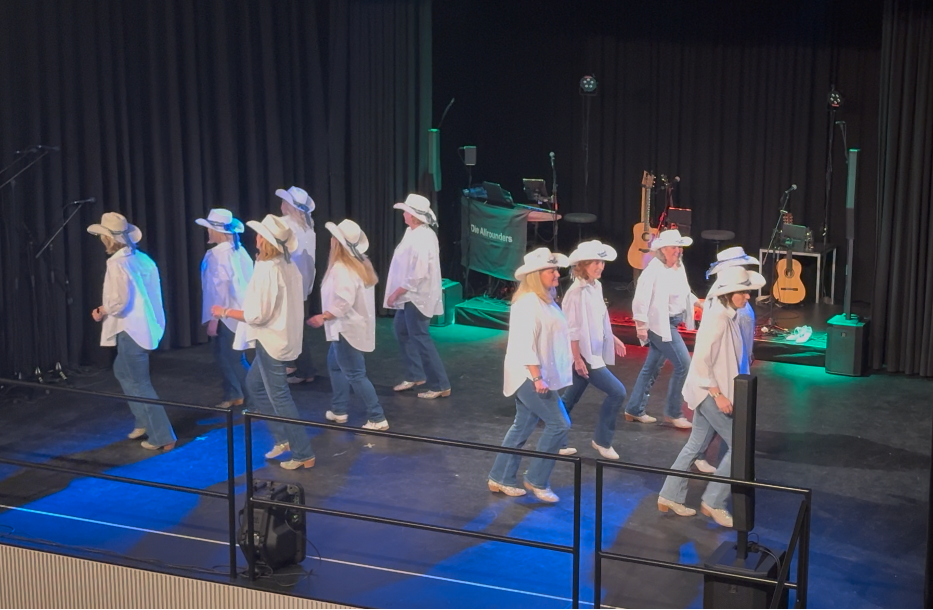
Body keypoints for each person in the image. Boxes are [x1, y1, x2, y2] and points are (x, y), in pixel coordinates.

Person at [657, 266, 766, 527]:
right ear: (729, 293)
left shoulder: (728, 315)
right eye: (743, 292)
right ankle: (713, 502)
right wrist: (717, 394)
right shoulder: (717, 317)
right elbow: (702, 359)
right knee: (740, 445)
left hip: (708, 390)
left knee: (696, 445)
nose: (748, 296)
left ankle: (669, 495)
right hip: (709, 392)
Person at [212, 214, 315, 470]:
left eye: (259, 234)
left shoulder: (269, 269)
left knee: (279, 396)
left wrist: (224, 311)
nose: (256, 237)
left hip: (271, 340)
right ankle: (284, 439)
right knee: (254, 385)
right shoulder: (287, 265)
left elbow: (258, 315)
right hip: (278, 338)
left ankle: (303, 452)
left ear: (265, 240)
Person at [488, 248, 573, 503]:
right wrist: (537, 377)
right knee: (559, 424)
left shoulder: (545, 299)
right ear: (536, 275)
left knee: (522, 425)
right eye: (551, 270)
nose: (556, 274)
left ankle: (500, 477)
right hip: (528, 375)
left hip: (537, 374)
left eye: (556, 269)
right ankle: (537, 479)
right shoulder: (527, 303)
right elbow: (525, 344)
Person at [87, 212, 176, 451]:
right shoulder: (142, 259)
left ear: (108, 238)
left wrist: (102, 310)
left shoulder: (117, 263)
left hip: (132, 330)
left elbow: (119, 301)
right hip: (144, 327)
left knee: (139, 382)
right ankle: (144, 421)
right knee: (122, 371)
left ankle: (162, 435)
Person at [307, 220, 387, 430]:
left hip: (346, 328)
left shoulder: (342, 268)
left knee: (355, 374)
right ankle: (339, 409)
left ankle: (377, 417)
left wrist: (323, 316)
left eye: (334, 237)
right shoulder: (358, 264)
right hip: (347, 327)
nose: (331, 240)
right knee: (335, 365)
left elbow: (344, 301)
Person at [624, 229, 702, 429]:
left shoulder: (678, 266)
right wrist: (641, 326)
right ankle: (674, 413)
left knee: (651, 367)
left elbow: (684, 292)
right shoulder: (653, 270)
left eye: (679, 247)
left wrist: (698, 303)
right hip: (659, 325)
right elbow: (640, 300)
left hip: (672, 323)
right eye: (674, 247)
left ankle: (634, 409)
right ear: (663, 249)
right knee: (684, 365)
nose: (678, 251)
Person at [559, 240, 628, 460]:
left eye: (602, 262)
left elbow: (598, 319)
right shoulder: (575, 292)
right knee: (617, 392)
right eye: (595, 262)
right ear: (583, 265)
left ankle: (555, 439)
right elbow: (572, 329)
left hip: (593, 351)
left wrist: (613, 338)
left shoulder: (596, 286)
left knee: (570, 398)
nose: (600, 266)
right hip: (585, 355)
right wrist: (577, 359)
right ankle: (602, 440)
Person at [694, 246, 759, 474]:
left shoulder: (732, 300)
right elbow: (713, 348)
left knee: (705, 425)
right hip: (723, 370)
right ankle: (717, 484)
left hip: (730, 364)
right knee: (723, 421)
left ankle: (696, 458)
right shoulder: (726, 306)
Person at [384, 193, 451, 400]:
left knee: (420, 338)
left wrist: (397, 291)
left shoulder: (423, 237)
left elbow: (418, 272)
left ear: (413, 216)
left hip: (417, 295)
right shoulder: (411, 232)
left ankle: (440, 384)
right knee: (401, 330)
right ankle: (415, 375)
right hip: (409, 295)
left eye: (406, 211)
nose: (403, 214)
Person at [195, 208, 253, 409]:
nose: (208, 232)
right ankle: (235, 393)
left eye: (210, 228)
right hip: (237, 311)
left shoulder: (218, 255)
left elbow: (221, 287)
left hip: (227, 314)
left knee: (232, 358)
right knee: (225, 355)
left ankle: (257, 399)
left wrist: (215, 319)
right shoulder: (238, 250)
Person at [277, 186, 317, 385]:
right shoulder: (308, 229)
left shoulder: (284, 225)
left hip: (286, 284)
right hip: (301, 285)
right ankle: (296, 365)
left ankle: (301, 368)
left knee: (288, 328)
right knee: (294, 328)